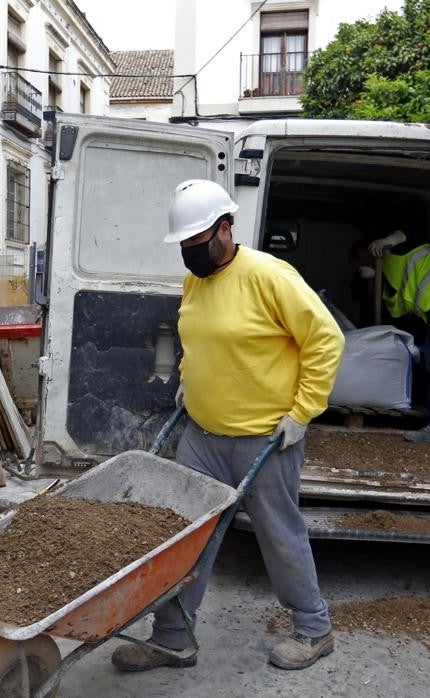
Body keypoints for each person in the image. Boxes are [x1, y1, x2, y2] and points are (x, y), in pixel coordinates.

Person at [110, 179, 345, 673]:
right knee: (183, 537)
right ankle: (174, 638)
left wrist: (302, 412)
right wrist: (187, 379)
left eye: (196, 244)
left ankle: (314, 628)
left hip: (264, 437)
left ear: (224, 229)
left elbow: (326, 340)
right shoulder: (197, 279)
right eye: (184, 247)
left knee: (279, 536)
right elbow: (202, 335)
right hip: (201, 435)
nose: (189, 255)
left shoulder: (268, 275)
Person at [350, 230, 430, 443]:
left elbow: (406, 233)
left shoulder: (393, 252)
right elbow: (399, 315)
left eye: (359, 260)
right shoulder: (387, 286)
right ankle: (427, 409)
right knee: (425, 354)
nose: (360, 266)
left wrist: (388, 240)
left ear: (364, 251)